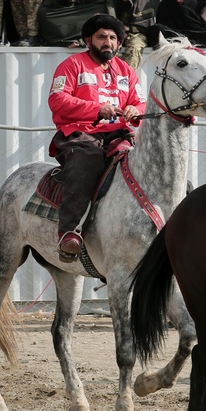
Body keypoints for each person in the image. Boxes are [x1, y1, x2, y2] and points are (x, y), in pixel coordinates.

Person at [48, 14, 144, 259]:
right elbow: (57, 99)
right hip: (79, 134)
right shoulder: (71, 65)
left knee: (140, 159)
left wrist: (136, 111)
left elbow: (140, 103)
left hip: (118, 134)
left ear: (119, 44)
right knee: (88, 159)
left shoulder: (127, 71)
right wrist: (96, 110)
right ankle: (69, 233)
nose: (108, 42)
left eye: (113, 37)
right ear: (88, 39)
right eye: (101, 36)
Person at [37, 0, 115, 47]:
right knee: (42, 14)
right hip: (61, 22)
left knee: (101, 8)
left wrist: (111, 21)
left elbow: (107, 0)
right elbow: (43, 11)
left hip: (81, 19)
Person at [108, 0, 156, 68]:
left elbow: (147, 26)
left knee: (135, 49)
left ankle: (127, 76)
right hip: (115, 33)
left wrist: (129, 29)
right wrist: (119, 31)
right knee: (110, 47)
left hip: (137, 34)